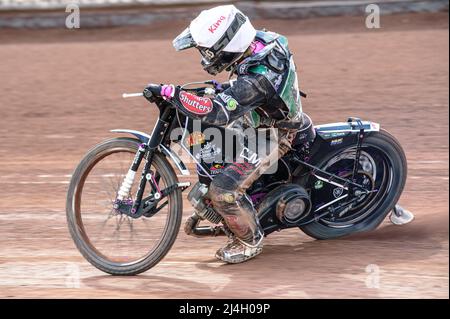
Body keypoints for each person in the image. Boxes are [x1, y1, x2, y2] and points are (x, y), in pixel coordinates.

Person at [146, 4, 304, 263]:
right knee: (203, 140)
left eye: (209, 51)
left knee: (222, 190)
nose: (206, 56)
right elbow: (240, 90)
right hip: (255, 116)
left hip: (273, 134)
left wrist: (174, 94)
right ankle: (228, 208)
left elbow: (218, 111)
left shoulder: (257, 80)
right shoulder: (261, 41)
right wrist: (228, 88)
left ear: (228, 47)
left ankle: (248, 241)